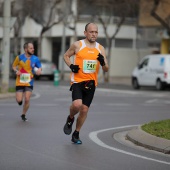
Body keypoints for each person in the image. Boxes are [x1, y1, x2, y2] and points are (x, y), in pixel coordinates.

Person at [63, 23, 109, 144]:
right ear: (85, 33)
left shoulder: (100, 48)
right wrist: (71, 66)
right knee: (77, 105)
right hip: (78, 81)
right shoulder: (78, 45)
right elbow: (66, 55)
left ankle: (76, 133)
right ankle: (70, 118)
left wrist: (102, 62)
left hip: (91, 83)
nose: (94, 34)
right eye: (91, 32)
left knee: (84, 110)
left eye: (96, 32)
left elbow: (106, 69)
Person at [12, 42, 42, 121]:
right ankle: (19, 101)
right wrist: (16, 71)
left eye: (33, 48)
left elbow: (39, 67)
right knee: (19, 100)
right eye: (31, 48)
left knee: (27, 99)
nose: (33, 49)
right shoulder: (19, 58)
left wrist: (39, 70)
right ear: (26, 49)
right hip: (19, 81)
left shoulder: (35, 58)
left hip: (29, 81)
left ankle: (23, 114)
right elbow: (14, 66)